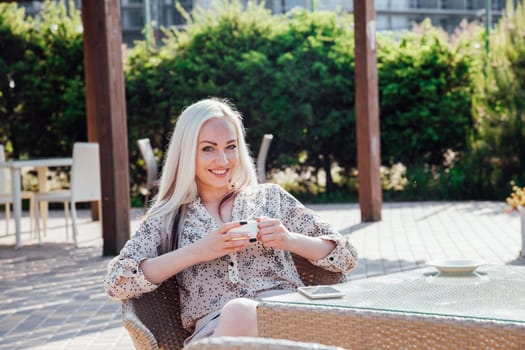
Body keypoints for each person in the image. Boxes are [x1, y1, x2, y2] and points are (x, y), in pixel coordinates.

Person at [103, 97, 358, 346]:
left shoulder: (271, 198)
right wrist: (197, 251)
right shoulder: (168, 217)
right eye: (208, 148)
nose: (223, 160)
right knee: (238, 312)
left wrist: (289, 240)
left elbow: (346, 256)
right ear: (186, 152)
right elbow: (118, 283)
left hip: (287, 320)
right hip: (217, 333)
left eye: (231, 146)